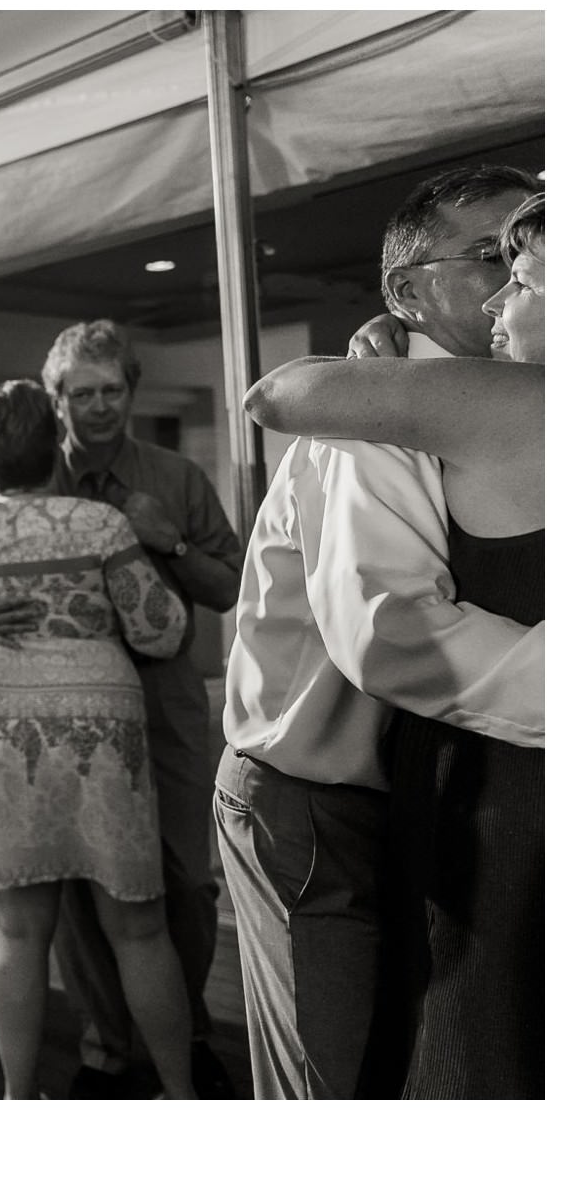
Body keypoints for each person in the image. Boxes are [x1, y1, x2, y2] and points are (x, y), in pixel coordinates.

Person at [218, 165, 543, 1099]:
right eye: (490, 255)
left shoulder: (492, 388)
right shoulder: (374, 413)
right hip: (310, 790)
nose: (510, 269)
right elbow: (388, 634)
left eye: (523, 249)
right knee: (337, 1071)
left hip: (412, 786)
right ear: (405, 294)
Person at [0, 321, 243, 1098]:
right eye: (81, 394)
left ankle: (181, 1036)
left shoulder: (177, 479)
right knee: (78, 899)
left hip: (167, 710)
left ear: (132, 387)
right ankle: (110, 1044)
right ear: (56, 401)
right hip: (63, 721)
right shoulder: (19, 491)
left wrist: (173, 544)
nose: (98, 407)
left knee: (182, 885)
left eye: (111, 390)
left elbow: (234, 586)